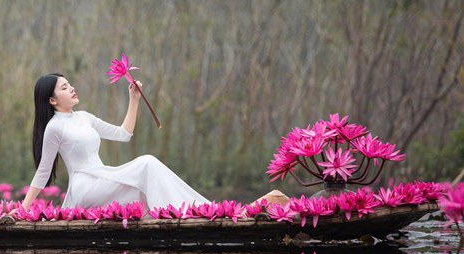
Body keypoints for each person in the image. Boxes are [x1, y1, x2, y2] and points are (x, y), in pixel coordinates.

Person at [19, 72, 288, 212]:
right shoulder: (54, 127)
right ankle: (208, 211)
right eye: (64, 87)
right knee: (147, 164)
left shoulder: (85, 117)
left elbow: (123, 134)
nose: (72, 88)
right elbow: (43, 172)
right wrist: (22, 211)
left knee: (145, 186)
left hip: (102, 178)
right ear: (52, 100)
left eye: (70, 83)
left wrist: (134, 100)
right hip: (85, 188)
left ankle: (203, 213)